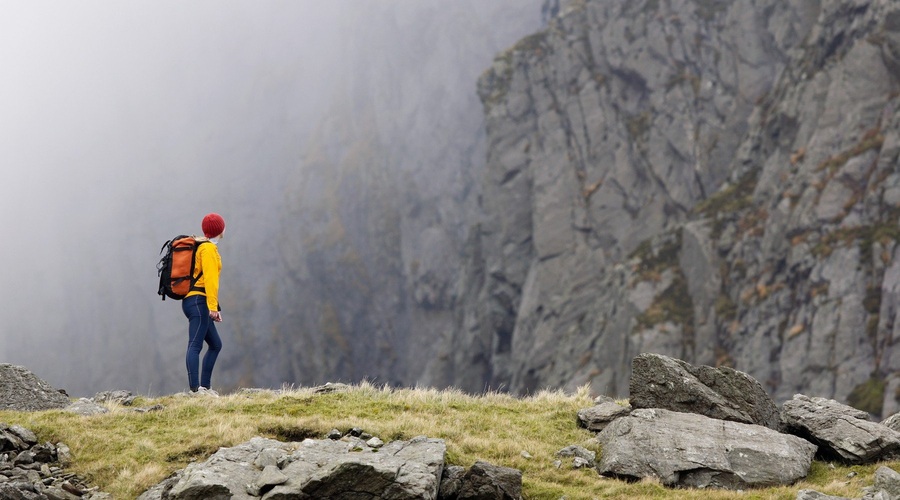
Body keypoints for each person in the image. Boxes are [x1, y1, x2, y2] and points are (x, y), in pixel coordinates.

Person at [183, 212, 226, 396]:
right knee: (195, 345)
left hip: (195, 300)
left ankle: (205, 388)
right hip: (199, 302)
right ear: (219, 229)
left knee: (216, 344)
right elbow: (210, 280)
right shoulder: (207, 249)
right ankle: (195, 390)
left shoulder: (204, 247)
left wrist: (215, 306)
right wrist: (212, 307)